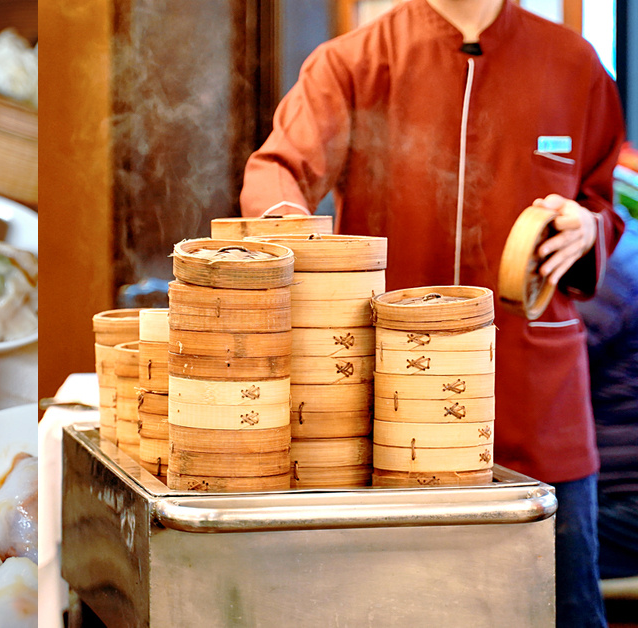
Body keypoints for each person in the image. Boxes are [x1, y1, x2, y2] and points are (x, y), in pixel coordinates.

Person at [238, 1, 626, 626]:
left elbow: (604, 200)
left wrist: (590, 226)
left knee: (565, 610)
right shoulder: (353, 62)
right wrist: (292, 229)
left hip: (539, 406)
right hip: (398, 406)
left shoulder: (573, 63)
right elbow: (279, 170)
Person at [577, 203, 638, 581]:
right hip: (619, 495)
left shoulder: (606, 268)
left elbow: (541, 380)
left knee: (505, 547)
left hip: (624, 502)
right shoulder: (624, 249)